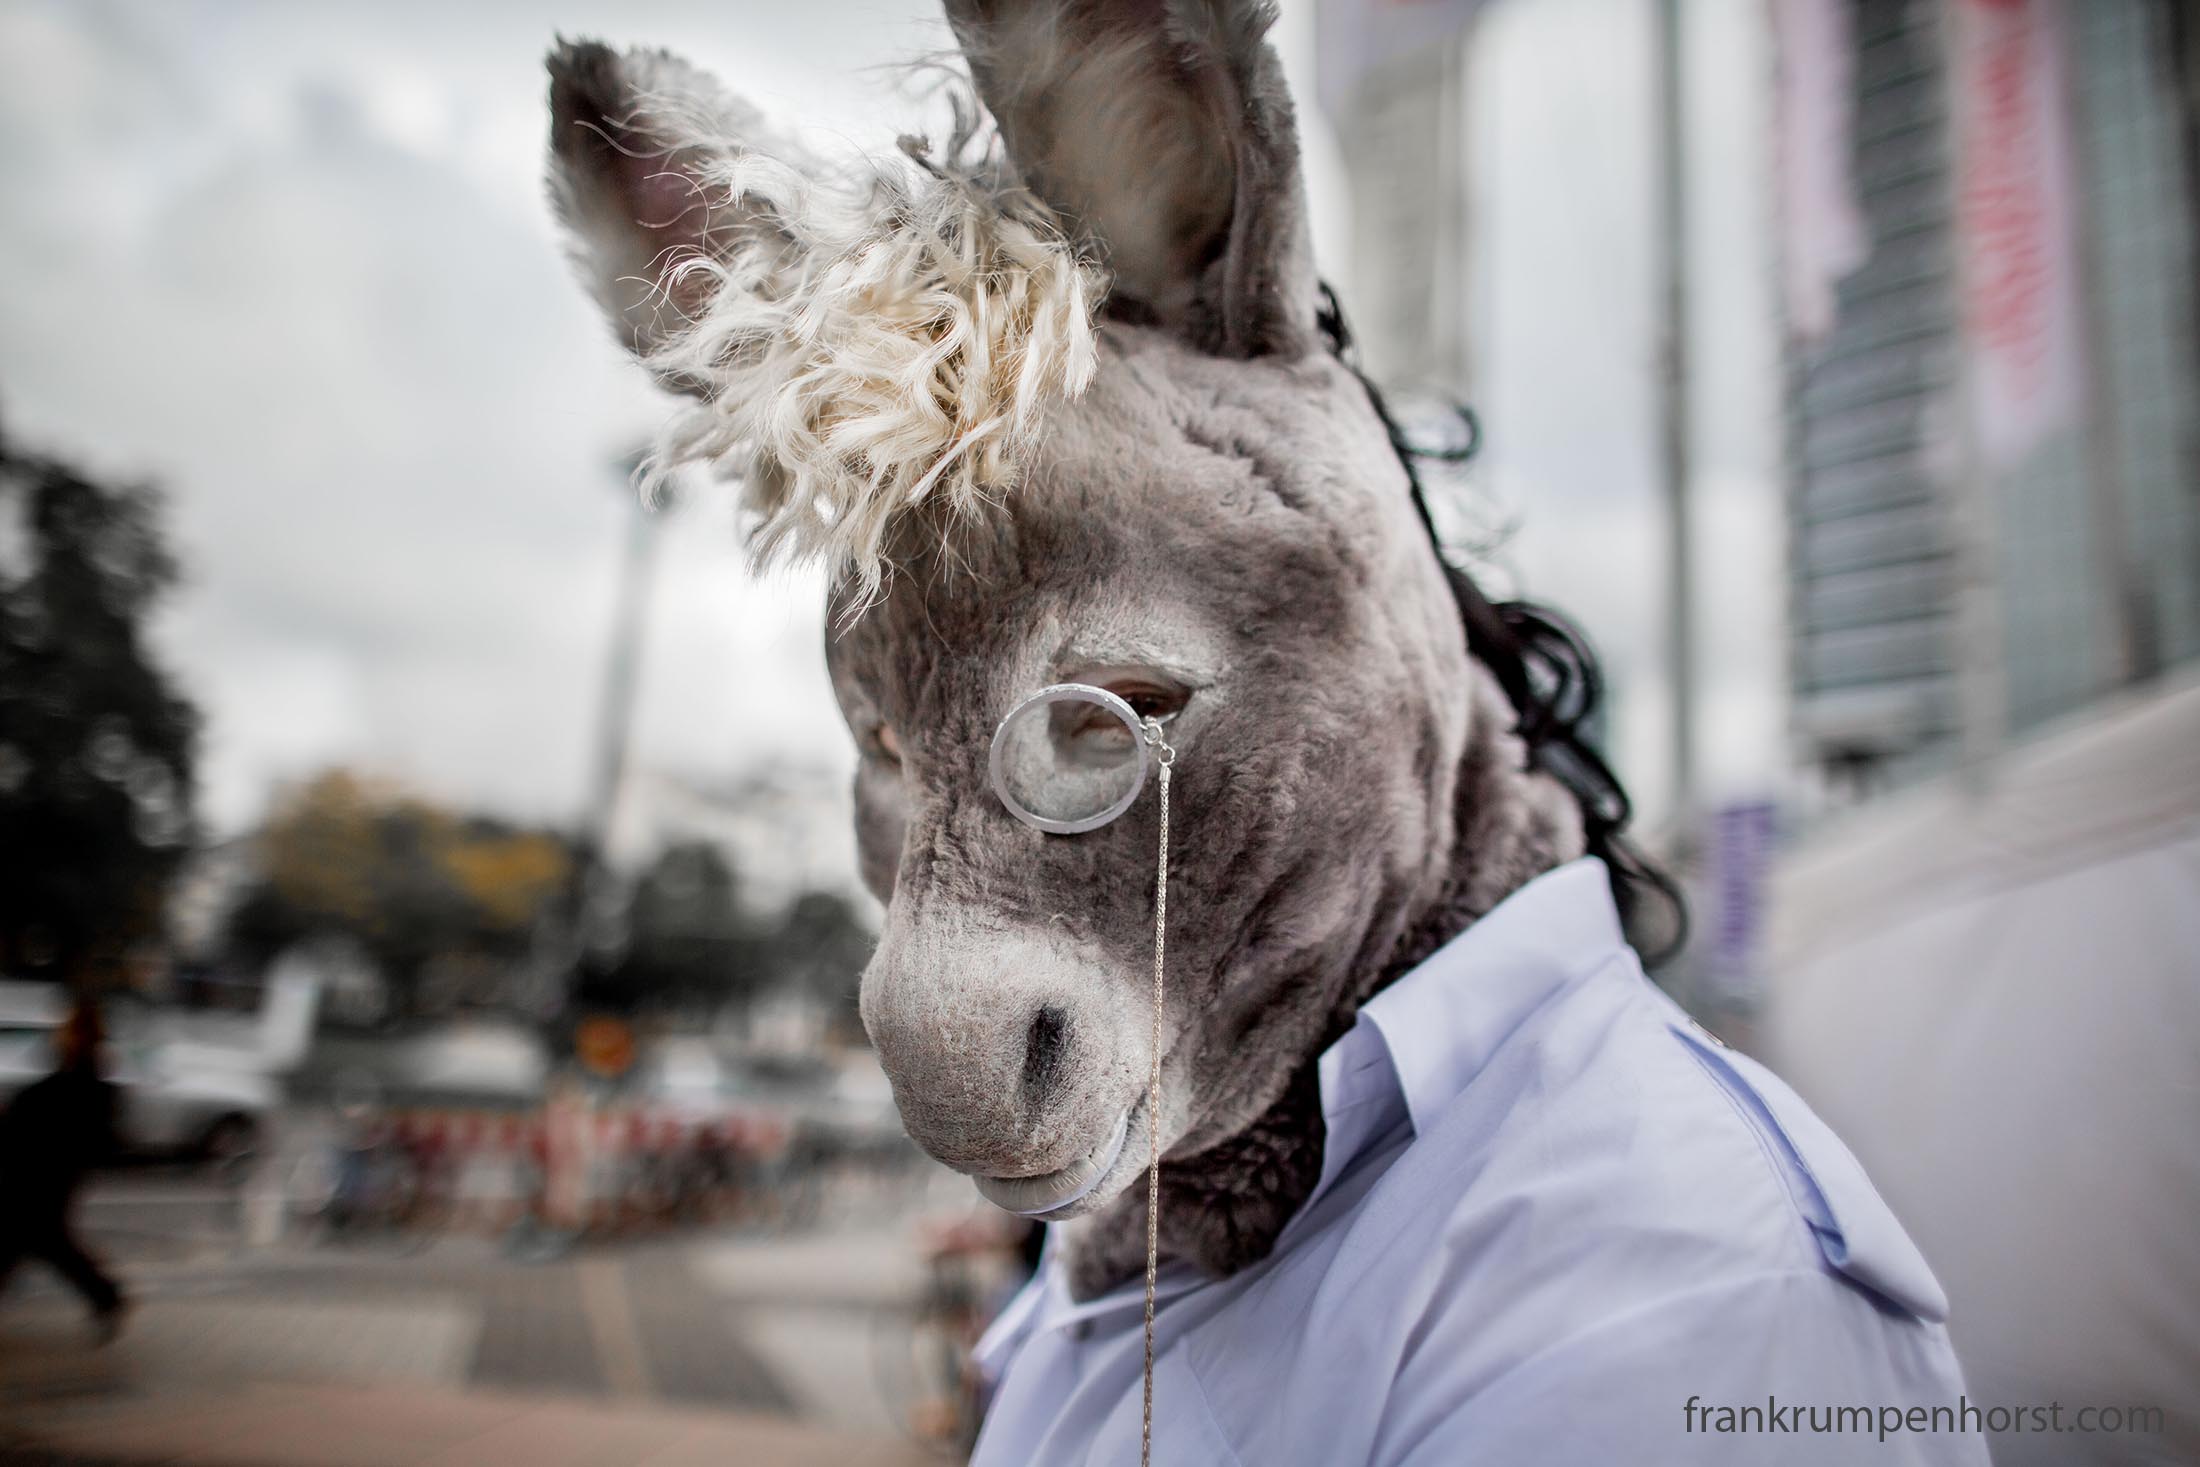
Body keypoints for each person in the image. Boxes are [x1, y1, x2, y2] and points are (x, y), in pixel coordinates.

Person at [0, 998, 128, 1341]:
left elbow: (52, 1111)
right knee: (39, 1238)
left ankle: (107, 1296)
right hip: (52, 1169)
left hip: (43, 1169)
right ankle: (106, 1296)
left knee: (29, 1235)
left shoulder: (78, 1076)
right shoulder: (90, 1074)